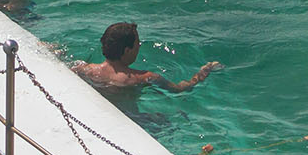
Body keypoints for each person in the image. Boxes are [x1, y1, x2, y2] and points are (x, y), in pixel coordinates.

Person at [72, 22, 220, 95]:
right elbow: (180, 89)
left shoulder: (86, 70)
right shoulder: (144, 78)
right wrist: (202, 74)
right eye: (137, 44)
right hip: (132, 120)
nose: (139, 47)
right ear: (127, 50)